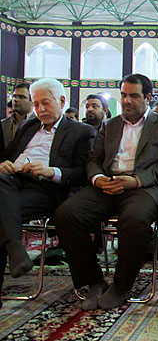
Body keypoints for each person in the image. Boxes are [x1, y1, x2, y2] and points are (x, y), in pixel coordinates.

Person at [54, 74, 158, 311]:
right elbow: (94, 159)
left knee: (133, 219)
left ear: (148, 98)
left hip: (144, 188)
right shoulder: (110, 125)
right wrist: (98, 178)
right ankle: (94, 280)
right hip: (109, 185)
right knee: (66, 214)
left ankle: (121, 286)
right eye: (123, 95)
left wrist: (135, 181)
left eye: (134, 96)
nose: (126, 101)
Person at [0, 79, 94, 293]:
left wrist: (52, 171)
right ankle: (15, 247)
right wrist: (4, 164)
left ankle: (15, 249)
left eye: (46, 103)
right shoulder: (28, 126)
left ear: (61, 101)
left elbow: (82, 173)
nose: (40, 109)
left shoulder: (81, 132)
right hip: (12, 181)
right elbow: (9, 155)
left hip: (45, 188)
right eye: (36, 104)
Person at [1, 83, 35, 149]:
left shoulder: (40, 124)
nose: (15, 99)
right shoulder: (3, 124)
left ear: (32, 101)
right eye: (14, 96)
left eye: (21, 97)